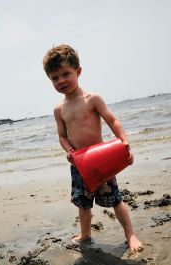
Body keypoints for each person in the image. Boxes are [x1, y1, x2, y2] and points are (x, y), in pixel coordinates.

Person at [43, 44, 144, 252]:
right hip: (79, 164)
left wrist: (123, 142)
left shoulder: (92, 99)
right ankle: (85, 234)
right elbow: (62, 136)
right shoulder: (59, 109)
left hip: (102, 160)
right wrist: (69, 151)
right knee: (83, 204)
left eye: (66, 74)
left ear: (78, 71)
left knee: (116, 199)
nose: (61, 81)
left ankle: (130, 235)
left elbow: (113, 120)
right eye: (55, 78)